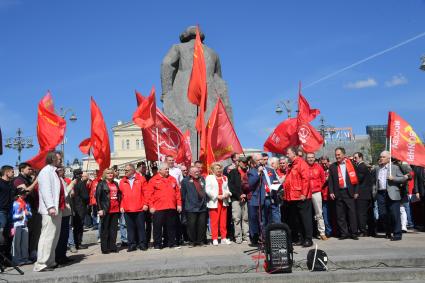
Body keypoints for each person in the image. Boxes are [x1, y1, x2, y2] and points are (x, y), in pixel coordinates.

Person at [33, 150, 65, 272]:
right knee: (47, 236)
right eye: (59, 158)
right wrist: (50, 206)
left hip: (58, 208)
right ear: (52, 158)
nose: (61, 160)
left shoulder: (54, 172)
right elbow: (46, 191)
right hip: (50, 210)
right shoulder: (46, 172)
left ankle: (50, 261)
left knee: (54, 236)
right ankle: (41, 263)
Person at [147, 163, 182, 249]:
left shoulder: (172, 179)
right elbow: (149, 195)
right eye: (165, 169)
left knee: (171, 226)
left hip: (171, 206)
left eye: (168, 169)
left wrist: (179, 204)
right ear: (160, 170)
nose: (167, 170)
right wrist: (151, 206)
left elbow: (177, 193)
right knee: (157, 227)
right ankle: (158, 244)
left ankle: (171, 243)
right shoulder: (153, 180)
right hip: (158, 207)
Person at [374, 151, 408, 241]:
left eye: (383, 157)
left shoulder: (395, 168)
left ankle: (397, 234)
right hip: (381, 193)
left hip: (392, 193)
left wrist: (394, 178)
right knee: (383, 214)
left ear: (388, 158)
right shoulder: (377, 168)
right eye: (380, 156)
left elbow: (403, 178)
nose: (381, 158)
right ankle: (388, 231)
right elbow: (376, 182)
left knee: (395, 214)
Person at [284, 147, 313, 247]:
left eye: (288, 153)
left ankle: (308, 239)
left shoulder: (301, 163)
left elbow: (306, 179)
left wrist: (304, 193)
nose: (287, 155)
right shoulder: (292, 165)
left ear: (294, 153)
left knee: (305, 219)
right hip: (293, 197)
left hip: (301, 196)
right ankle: (302, 238)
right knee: (298, 219)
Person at [328, 147, 359, 240]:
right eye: (336, 155)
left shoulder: (351, 164)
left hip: (349, 192)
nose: (337, 156)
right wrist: (331, 191)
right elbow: (330, 181)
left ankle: (354, 233)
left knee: (352, 213)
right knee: (340, 214)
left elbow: (357, 180)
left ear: (343, 155)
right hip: (338, 193)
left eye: (338, 154)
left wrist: (356, 191)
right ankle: (344, 233)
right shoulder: (333, 166)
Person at [13, 162, 40, 261]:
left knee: (35, 232)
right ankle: (26, 254)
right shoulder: (18, 180)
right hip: (25, 211)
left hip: (34, 207)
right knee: (28, 233)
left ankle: (33, 251)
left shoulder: (28, 179)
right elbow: (26, 192)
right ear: (22, 169)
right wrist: (35, 181)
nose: (31, 171)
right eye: (29, 169)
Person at [119, 164, 148, 251]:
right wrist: (121, 206)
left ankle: (142, 244)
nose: (125, 172)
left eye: (127, 170)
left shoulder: (141, 179)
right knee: (130, 228)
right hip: (127, 208)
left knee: (141, 227)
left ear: (133, 170)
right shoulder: (122, 181)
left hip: (139, 208)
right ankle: (132, 244)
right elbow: (121, 196)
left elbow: (146, 192)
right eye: (125, 170)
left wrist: (146, 204)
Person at [180, 166, 207, 247]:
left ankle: (200, 241)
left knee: (201, 224)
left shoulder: (202, 179)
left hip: (202, 206)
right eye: (195, 172)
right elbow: (183, 195)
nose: (197, 173)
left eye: (197, 171)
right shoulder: (185, 181)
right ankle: (192, 241)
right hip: (191, 206)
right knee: (191, 225)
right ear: (190, 173)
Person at [206, 162, 232, 245]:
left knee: (223, 221)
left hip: (224, 201)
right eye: (216, 168)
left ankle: (224, 238)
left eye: (220, 168)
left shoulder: (225, 177)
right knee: (214, 221)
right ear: (213, 170)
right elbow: (208, 190)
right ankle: (215, 238)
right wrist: (216, 196)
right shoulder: (209, 177)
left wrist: (228, 193)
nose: (218, 170)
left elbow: (227, 189)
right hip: (214, 201)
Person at [97, 168, 121, 254]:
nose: (110, 174)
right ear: (105, 175)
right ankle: (105, 248)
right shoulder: (101, 184)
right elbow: (98, 197)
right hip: (105, 209)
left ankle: (112, 246)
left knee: (113, 229)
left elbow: (119, 195)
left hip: (115, 209)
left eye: (111, 173)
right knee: (105, 229)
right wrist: (100, 209)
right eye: (108, 173)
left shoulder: (115, 183)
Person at [55, 166, 75, 265]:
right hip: (61, 211)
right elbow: (64, 193)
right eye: (59, 170)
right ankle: (59, 257)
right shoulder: (56, 181)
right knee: (61, 236)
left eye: (62, 170)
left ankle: (63, 255)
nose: (61, 172)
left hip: (66, 210)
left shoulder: (62, 180)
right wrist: (71, 184)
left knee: (65, 234)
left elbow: (68, 194)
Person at [228, 156, 250, 244]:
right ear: (239, 162)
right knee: (236, 218)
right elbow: (231, 186)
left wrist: (245, 194)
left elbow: (249, 185)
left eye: (246, 162)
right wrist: (239, 195)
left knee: (245, 218)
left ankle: (246, 236)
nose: (245, 164)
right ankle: (238, 237)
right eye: (243, 162)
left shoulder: (248, 172)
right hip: (236, 199)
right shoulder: (233, 172)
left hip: (246, 198)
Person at [306, 152, 327, 241]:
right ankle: (308, 234)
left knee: (319, 213)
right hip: (306, 193)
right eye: (309, 157)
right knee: (307, 215)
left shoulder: (319, 167)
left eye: (312, 157)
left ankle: (322, 232)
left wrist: (318, 187)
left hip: (316, 192)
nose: (310, 159)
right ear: (306, 158)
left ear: (314, 158)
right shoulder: (304, 167)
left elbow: (323, 179)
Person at [353, 152, 375, 237]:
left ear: (361, 158)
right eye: (354, 158)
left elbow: (358, 179)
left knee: (361, 213)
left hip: (362, 194)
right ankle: (370, 231)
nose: (354, 160)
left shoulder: (361, 167)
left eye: (356, 158)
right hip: (365, 194)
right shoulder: (361, 166)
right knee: (367, 213)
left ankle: (363, 231)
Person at [11, 190, 32, 265]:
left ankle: (25, 258)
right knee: (16, 242)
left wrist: (28, 213)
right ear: (19, 195)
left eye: (25, 194)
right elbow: (11, 215)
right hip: (17, 225)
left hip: (25, 225)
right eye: (23, 194)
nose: (25, 196)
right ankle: (17, 259)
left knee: (25, 243)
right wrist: (18, 217)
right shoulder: (14, 204)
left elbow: (30, 214)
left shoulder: (26, 204)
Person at [71, 170, 89, 251]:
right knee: (79, 226)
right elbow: (85, 196)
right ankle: (78, 243)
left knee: (76, 226)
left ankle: (76, 242)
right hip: (80, 207)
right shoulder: (81, 183)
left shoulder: (73, 182)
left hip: (74, 206)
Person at [0, 165, 14, 266]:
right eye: (12, 172)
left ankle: (7, 259)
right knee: (1, 236)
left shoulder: (10, 184)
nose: (13, 173)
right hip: (1, 212)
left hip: (10, 212)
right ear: (6, 172)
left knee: (9, 236)